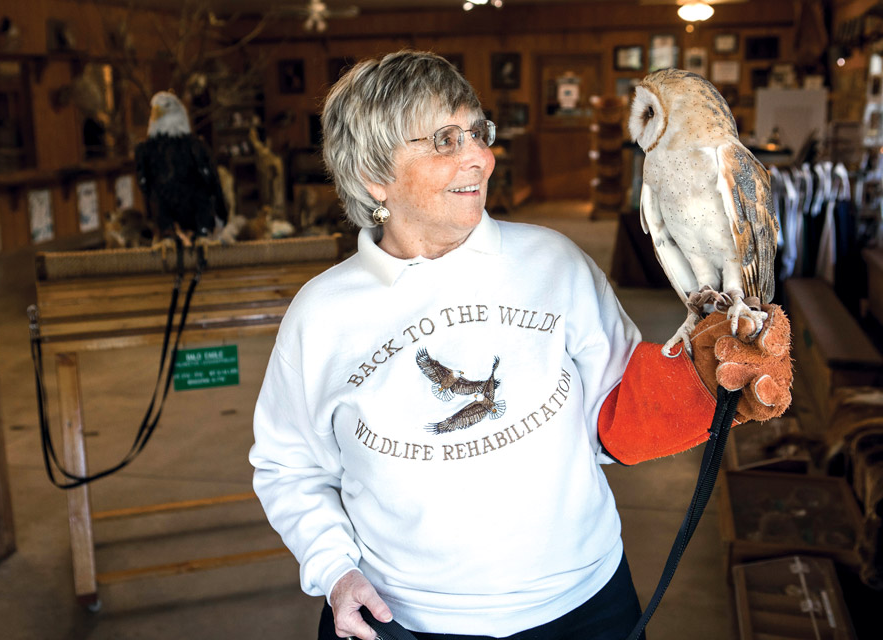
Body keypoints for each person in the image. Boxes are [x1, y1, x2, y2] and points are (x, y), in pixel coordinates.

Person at [250, 50, 792, 640]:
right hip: (404, 620)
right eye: (443, 139)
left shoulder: (553, 261)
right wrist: (334, 572)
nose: (480, 157)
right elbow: (288, 466)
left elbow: (613, 415)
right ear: (373, 176)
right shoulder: (322, 314)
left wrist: (699, 383)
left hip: (583, 607)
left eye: (477, 132)